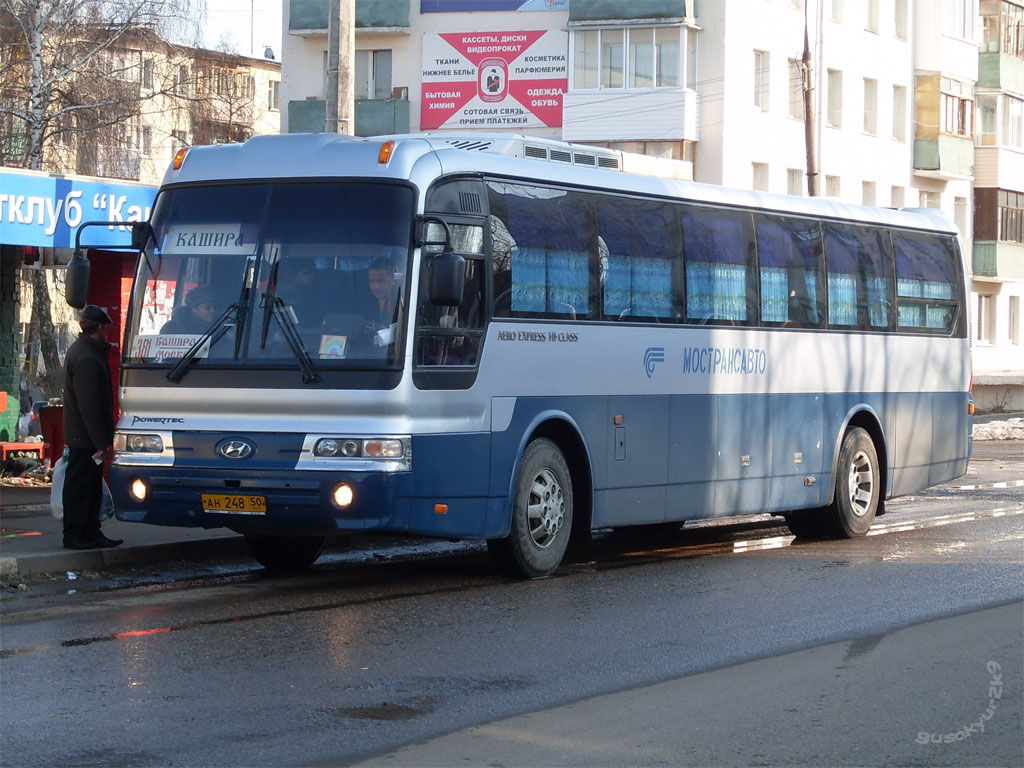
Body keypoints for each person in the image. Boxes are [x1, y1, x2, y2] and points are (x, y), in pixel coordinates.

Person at [62, 305, 122, 550]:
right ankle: (76, 534)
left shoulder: (84, 351)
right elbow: (89, 405)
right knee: (81, 486)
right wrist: (99, 442)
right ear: (99, 328)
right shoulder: (87, 357)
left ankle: (90, 531)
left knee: (90, 485)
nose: (107, 332)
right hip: (84, 437)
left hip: (83, 435)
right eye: (106, 328)